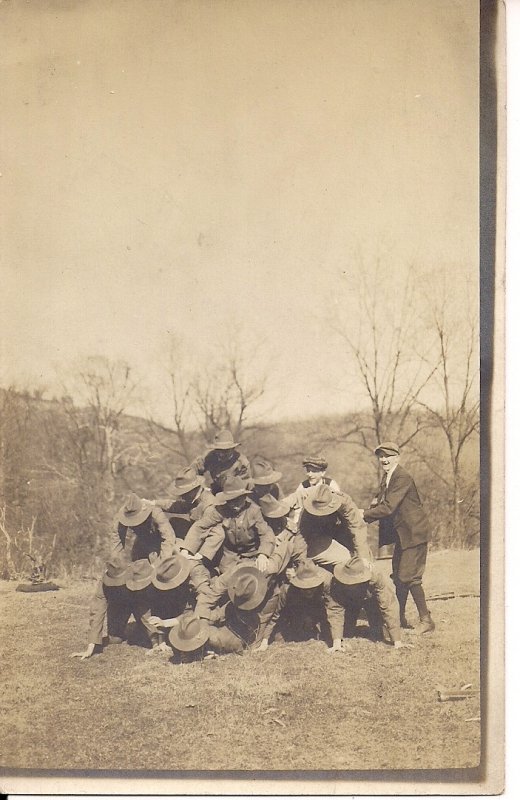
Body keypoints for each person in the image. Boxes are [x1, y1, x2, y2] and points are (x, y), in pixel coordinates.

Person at [362, 441, 434, 634]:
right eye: (381, 456)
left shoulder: (401, 477)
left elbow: (388, 507)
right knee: (399, 578)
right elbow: (379, 502)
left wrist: (363, 515)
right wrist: (363, 515)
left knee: (409, 577)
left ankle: (426, 620)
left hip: (413, 533)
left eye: (388, 455)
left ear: (397, 457)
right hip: (403, 535)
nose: (384, 459)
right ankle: (399, 618)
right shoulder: (388, 477)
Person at [182, 476, 275, 574]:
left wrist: (263, 554)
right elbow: (200, 526)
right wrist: (186, 549)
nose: (234, 505)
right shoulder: (221, 510)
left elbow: (266, 533)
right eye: (230, 501)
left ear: (244, 497)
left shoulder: (254, 511)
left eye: (237, 500)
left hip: (251, 555)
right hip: (228, 558)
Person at [70, 556, 154, 660]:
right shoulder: (104, 583)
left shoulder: (135, 576)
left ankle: (143, 630)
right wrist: (91, 646)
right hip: (120, 606)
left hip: (138, 603)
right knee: (115, 639)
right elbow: (97, 611)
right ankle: (137, 630)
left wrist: (157, 641)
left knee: (146, 636)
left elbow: (144, 609)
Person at [329, 556, 413, 652]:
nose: (350, 584)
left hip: (371, 600)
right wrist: (336, 642)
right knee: (347, 632)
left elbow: (389, 605)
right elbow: (335, 609)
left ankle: (380, 625)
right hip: (350, 602)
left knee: (378, 635)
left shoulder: (376, 577)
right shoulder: (338, 582)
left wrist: (397, 641)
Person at [258, 558, 341, 650]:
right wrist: (264, 641)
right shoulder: (287, 589)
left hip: (319, 606)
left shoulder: (327, 581)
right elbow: (274, 615)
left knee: (327, 632)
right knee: (282, 636)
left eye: (312, 587)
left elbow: (334, 610)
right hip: (297, 608)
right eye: (305, 588)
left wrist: (337, 642)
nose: (309, 591)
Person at [141, 553, 212, 653]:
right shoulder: (165, 570)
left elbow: (204, 605)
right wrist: (161, 640)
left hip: (206, 604)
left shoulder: (196, 572)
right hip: (185, 602)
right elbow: (161, 602)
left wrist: (167, 622)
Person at [196, 564, 271, 655]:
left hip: (253, 616)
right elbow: (211, 594)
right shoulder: (232, 575)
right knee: (212, 632)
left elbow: (266, 617)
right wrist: (200, 622)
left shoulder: (270, 582)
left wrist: (260, 642)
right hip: (229, 608)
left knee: (232, 643)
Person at [299, 484, 371, 570]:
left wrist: (363, 557)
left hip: (340, 533)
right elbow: (300, 537)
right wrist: (300, 563)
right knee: (349, 561)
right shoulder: (308, 509)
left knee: (366, 560)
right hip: (317, 539)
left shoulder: (344, 502)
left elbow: (357, 527)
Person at [111, 492, 177, 563]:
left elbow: (168, 537)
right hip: (143, 538)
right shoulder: (122, 517)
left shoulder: (155, 513)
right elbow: (117, 543)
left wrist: (162, 564)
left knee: (169, 560)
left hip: (164, 536)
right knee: (137, 561)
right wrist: (117, 565)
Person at [155, 467, 216, 539]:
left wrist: (185, 549)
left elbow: (210, 536)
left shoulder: (209, 505)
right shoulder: (194, 498)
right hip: (197, 533)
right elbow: (176, 506)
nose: (182, 497)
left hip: (205, 539)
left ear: (195, 488)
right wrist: (154, 503)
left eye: (185, 493)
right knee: (173, 522)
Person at [190, 429, 251, 494]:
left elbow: (244, 488)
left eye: (225, 451)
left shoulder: (242, 464)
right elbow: (190, 473)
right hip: (213, 493)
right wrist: (202, 486)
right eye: (218, 450)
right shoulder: (208, 456)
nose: (221, 454)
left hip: (233, 496)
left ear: (233, 448)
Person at [285, 455, 342, 523]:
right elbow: (298, 509)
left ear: (323, 472)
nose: (310, 474)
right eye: (308, 471)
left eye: (314, 471)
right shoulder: (303, 486)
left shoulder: (331, 484)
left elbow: (339, 506)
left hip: (329, 521)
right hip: (310, 523)